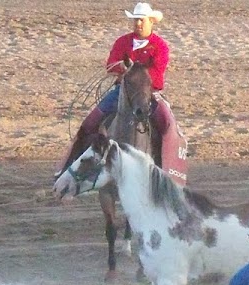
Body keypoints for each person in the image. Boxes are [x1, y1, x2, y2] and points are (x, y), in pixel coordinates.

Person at [57, 3, 183, 183]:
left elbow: (157, 72)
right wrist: (121, 68)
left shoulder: (160, 46)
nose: (138, 23)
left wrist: (134, 74)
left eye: (142, 20)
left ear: (151, 22)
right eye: (136, 20)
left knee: (168, 125)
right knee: (88, 124)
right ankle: (68, 168)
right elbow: (111, 64)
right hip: (121, 91)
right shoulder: (122, 42)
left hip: (148, 93)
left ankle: (168, 175)